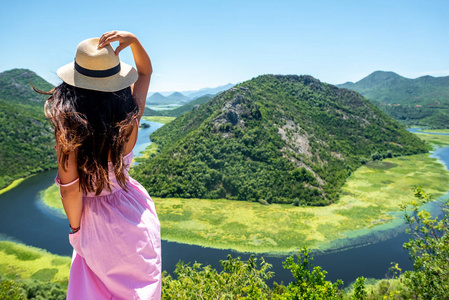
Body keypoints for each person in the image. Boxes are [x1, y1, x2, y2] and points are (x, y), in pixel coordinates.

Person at [43, 31, 161, 299]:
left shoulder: (68, 132)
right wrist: (134, 42)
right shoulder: (129, 117)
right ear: (117, 82)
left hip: (94, 221)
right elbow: (145, 73)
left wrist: (76, 229)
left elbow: (71, 190)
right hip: (135, 213)